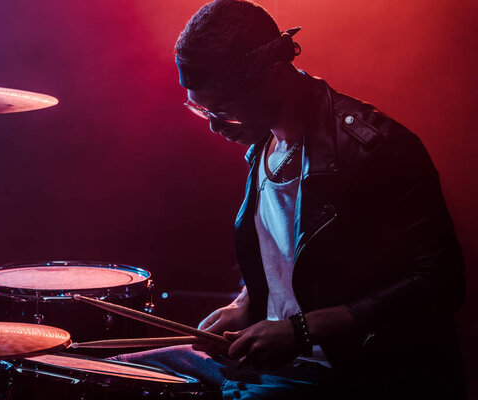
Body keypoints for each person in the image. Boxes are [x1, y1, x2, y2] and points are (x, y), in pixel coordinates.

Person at [115, 0, 466, 398]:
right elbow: (287, 263)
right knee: (106, 375)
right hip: (269, 364)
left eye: (225, 111)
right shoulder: (264, 144)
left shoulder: (378, 149)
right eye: (203, 110)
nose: (214, 127)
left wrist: (301, 331)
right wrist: (245, 304)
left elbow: (439, 284)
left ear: (276, 75)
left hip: (347, 371)